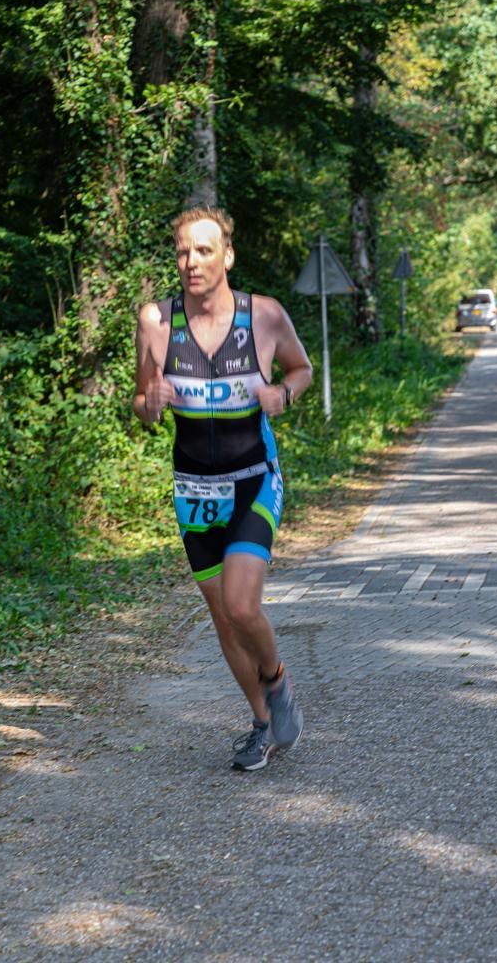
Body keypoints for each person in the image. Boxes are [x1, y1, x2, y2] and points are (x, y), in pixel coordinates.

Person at [133, 207, 313, 771]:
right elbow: (142, 403)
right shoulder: (157, 322)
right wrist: (150, 405)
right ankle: (262, 723)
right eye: (183, 251)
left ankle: (278, 681)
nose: (191, 262)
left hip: (254, 479)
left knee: (241, 604)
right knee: (221, 616)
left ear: (227, 256)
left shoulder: (264, 317)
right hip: (193, 489)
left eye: (204, 250)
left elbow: (301, 370)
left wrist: (280, 397)